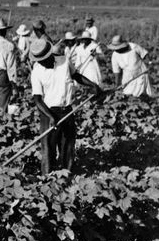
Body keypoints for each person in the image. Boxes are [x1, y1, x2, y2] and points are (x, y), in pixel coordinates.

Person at [29, 38, 105, 175]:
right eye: (39, 60)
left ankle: (66, 176)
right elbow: (38, 100)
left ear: (50, 55)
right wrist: (51, 116)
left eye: (43, 59)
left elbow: (76, 76)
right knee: (48, 150)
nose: (41, 62)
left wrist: (93, 85)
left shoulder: (64, 61)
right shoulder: (37, 72)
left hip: (67, 111)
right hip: (49, 114)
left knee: (68, 148)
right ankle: (46, 180)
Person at [106, 35, 154, 99]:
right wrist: (117, 85)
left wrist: (150, 63)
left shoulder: (133, 47)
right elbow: (117, 72)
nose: (117, 49)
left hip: (141, 73)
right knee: (128, 95)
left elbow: (145, 54)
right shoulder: (114, 55)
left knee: (143, 95)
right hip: (127, 77)